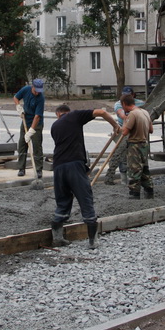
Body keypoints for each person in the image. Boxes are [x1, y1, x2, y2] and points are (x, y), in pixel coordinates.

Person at [50, 104, 120, 249]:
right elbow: (101, 112)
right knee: (85, 198)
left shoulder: (54, 126)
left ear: (57, 114)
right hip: (74, 165)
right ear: (67, 112)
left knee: (62, 201)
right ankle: (93, 241)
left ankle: (57, 238)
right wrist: (115, 125)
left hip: (58, 167)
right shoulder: (74, 116)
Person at [105, 86, 145, 185]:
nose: (126, 97)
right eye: (124, 95)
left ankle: (134, 178)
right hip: (121, 130)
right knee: (120, 154)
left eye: (128, 95)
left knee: (134, 155)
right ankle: (117, 178)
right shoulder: (119, 104)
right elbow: (122, 115)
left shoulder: (140, 103)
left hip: (135, 132)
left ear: (133, 95)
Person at [120, 94, 154, 199]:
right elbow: (151, 130)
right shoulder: (145, 112)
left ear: (124, 104)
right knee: (144, 168)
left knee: (134, 169)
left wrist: (125, 121)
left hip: (135, 145)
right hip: (145, 144)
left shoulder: (133, 114)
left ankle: (134, 193)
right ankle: (149, 191)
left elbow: (125, 132)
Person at [13, 78, 45, 178]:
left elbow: (37, 116)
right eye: (36, 91)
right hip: (25, 121)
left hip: (37, 124)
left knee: (37, 146)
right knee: (22, 145)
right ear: (32, 87)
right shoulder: (26, 89)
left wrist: (31, 131)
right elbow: (16, 97)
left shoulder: (41, 98)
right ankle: (21, 168)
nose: (37, 93)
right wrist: (18, 107)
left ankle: (38, 169)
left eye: (39, 91)